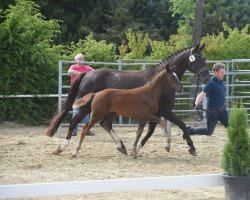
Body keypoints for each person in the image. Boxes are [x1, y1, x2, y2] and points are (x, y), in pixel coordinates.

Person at [188, 62, 229, 135]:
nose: (223, 74)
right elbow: (202, 94)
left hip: (222, 110)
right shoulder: (210, 82)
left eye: (224, 72)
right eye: (221, 72)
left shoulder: (221, 82)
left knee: (231, 127)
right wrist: (196, 103)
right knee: (209, 132)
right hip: (212, 112)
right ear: (215, 72)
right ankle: (190, 130)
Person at [68, 53, 95, 136]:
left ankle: (86, 130)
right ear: (76, 60)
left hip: (85, 92)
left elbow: (95, 72)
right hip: (76, 91)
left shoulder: (87, 67)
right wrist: (84, 74)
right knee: (76, 110)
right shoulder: (73, 66)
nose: (80, 60)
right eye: (79, 58)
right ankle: (73, 130)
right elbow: (69, 71)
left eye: (82, 58)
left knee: (86, 110)